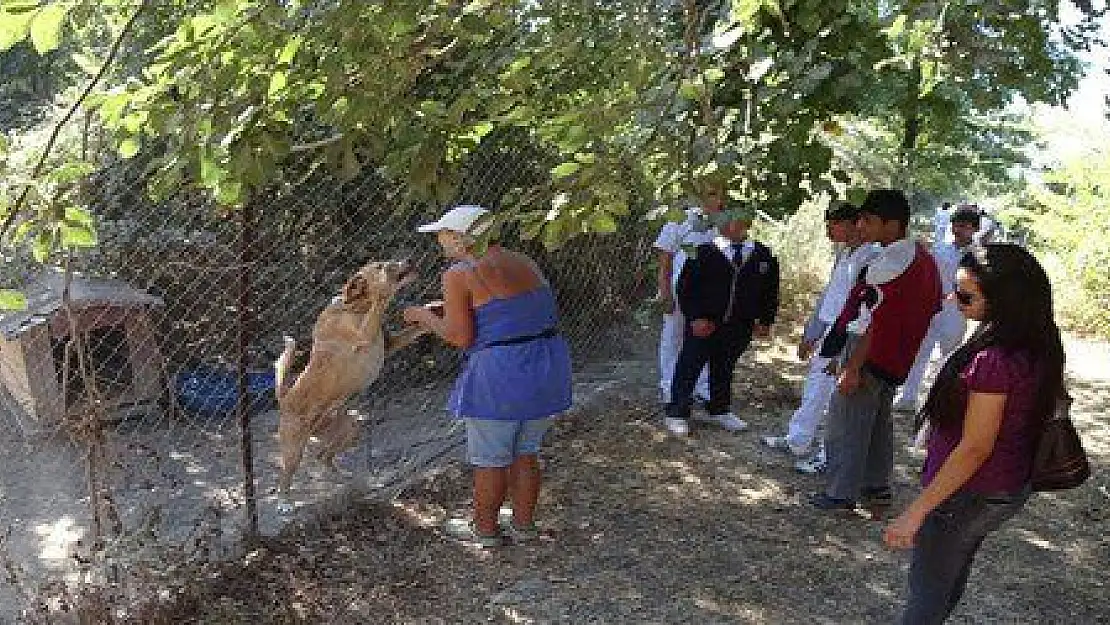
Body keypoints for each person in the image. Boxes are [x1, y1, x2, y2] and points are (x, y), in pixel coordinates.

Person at [884, 244, 1065, 624]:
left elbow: (975, 448)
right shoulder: (1037, 345)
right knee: (950, 571)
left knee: (928, 588)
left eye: (966, 295)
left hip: (968, 492)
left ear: (1003, 300)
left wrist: (916, 512)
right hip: (1007, 485)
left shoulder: (993, 360)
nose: (953, 299)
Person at [403, 204, 572, 548]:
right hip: (545, 364)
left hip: (502, 373)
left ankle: (485, 530)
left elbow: (459, 337)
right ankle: (524, 525)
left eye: (445, 235)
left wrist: (422, 316)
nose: (441, 242)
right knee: (526, 450)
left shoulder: (459, 272)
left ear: (464, 237)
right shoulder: (525, 262)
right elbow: (511, 310)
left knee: (490, 457)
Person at [811, 189, 942, 511]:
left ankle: (841, 492)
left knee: (848, 423)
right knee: (878, 423)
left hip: (871, 352)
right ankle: (876, 485)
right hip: (898, 355)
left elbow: (872, 320)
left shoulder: (890, 263)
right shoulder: (924, 260)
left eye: (869, 221)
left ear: (892, 224)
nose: (863, 227)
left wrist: (852, 365)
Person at [762, 201, 878, 474]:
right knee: (815, 388)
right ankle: (798, 440)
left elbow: (861, 310)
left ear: (855, 224)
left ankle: (829, 455)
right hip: (829, 330)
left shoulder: (870, 258)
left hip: (848, 335)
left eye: (835, 224)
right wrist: (811, 333)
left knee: (836, 398)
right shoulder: (844, 254)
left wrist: (842, 351)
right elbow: (830, 295)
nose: (829, 230)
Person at [664, 206, 780, 436]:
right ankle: (677, 411)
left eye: (742, 221)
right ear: (722, 226)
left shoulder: (762, 255)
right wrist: (696, 317)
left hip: (740, 323)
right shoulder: (703, 253)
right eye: (731, 222)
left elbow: (770, 291)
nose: (736, 226)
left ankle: (719, 408)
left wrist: (765, 319)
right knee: (690, 364)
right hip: (705, 324)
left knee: (725, 366)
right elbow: (687, 288)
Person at [896, 206, 980, 413]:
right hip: (931, 307)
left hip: (957, 311)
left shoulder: (978, 256)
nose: (958, 230)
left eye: (964, 226)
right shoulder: (940, 249)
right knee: (919, 352)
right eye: (956, 225)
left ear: (974, 229)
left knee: (948, 357)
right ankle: (907, 397)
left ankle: (936, 402)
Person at [653, 185, 724, 406]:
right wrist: (665, 292)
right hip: (678, 290)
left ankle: (701, 387)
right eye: (713, 193)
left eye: (721, 194)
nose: (719, 199)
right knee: (673, 336)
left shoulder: (720, 225)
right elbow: (665, 260)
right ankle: (668, 385)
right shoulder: (679, 220)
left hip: (707, 295)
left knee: (704, 338)